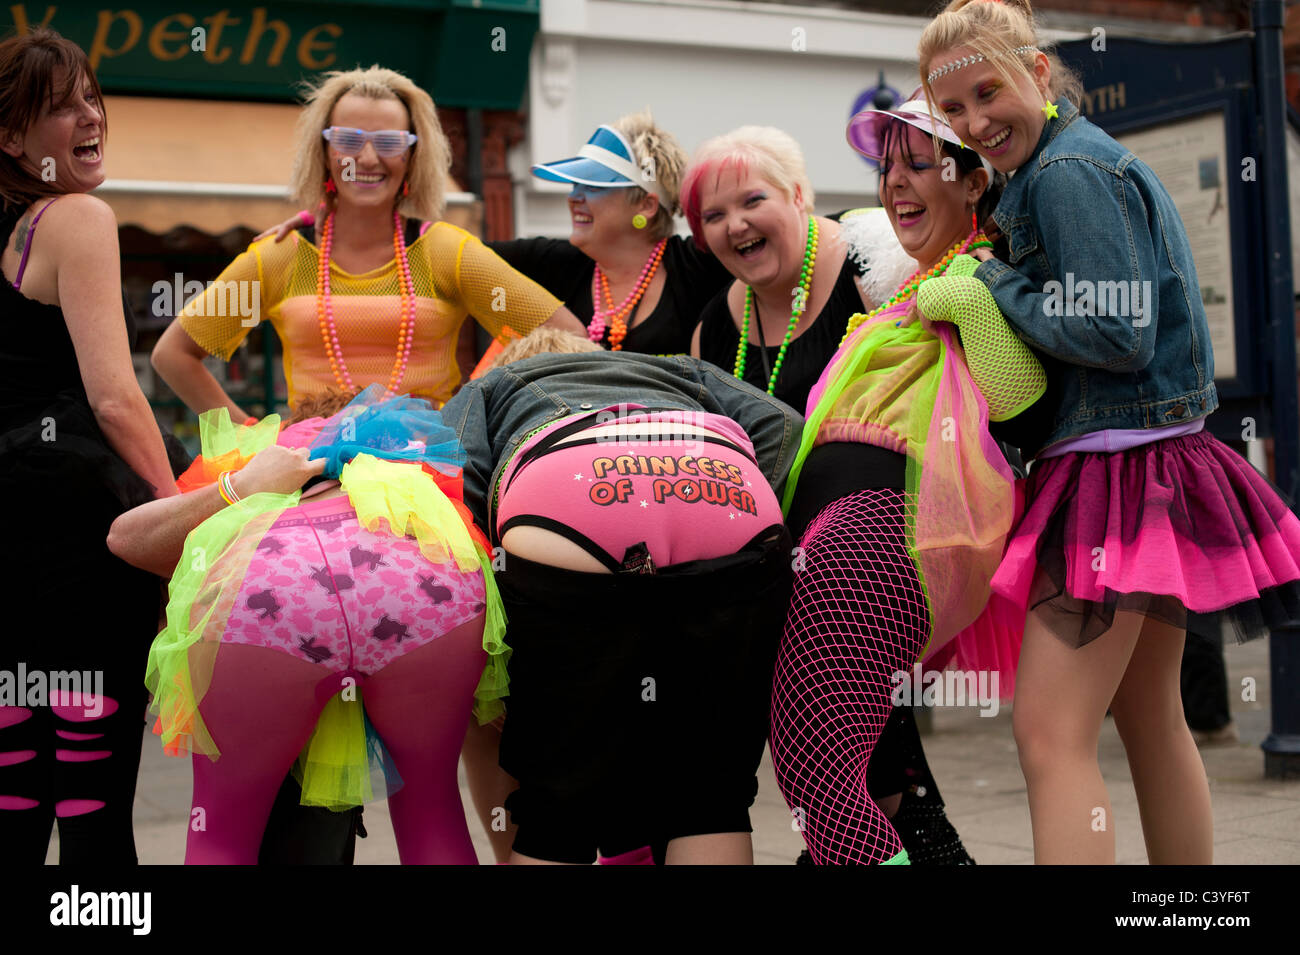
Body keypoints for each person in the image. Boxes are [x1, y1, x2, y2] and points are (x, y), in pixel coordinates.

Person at [921, 0, 1300, 863]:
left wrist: (990, 286)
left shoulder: (1065, 175)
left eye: (990, 91)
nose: (976, 122)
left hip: (1114, 473)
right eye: (954, 110)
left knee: (1050, 736)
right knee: (1151, 721)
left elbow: (1114, 332)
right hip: (1146, 465)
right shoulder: (1060, 167)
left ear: (1038, 74)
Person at [684, 121, 985, 865]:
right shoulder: (711, 330)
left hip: (888, 533)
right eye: (712, 217)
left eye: (752, 200)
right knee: (846, 765)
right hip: (791, 565)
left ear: (799, 194)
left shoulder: (872, 260)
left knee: (822, 756)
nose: (734, 225)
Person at [767, 98, 1045, 864]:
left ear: (975, 181)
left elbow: (1020, 397)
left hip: (883, 530)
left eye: (918, 164)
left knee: (818, 772)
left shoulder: (984, 271)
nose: (894, 184)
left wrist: (968, 301)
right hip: (841, 534)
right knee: (833, 770)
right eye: (886, 166)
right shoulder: (912, 281)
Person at [439, 327, 802, 864]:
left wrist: (509, 579)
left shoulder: (497, 381)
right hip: (720, 491)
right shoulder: (679, 368)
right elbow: (784, 423)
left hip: (566, 503)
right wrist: (742, 500)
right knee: (710, 797)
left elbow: (448, 471)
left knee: (555, 811)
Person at [107, 387, 506, 864]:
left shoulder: (259, 456)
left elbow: (126, 537)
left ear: (294, 423)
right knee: (433, 810)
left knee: (221, 832)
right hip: (418, 580)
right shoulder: (417, 451)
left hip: (274, 587)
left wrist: (239, 486)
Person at [151, 65, 582, 419]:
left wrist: (481, 408)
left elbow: (566, 338)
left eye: (390, 142)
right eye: (349, 140)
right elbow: (174, 355)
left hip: (428, 478)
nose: (369, 158)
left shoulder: (445, 252)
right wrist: (249, 438)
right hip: (309, 481)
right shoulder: (281, 257)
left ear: (413, 156)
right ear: (324, 153)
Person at [0, 28, 179, 864]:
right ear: (10, 138)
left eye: (92, 96)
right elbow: (114, 397)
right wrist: (179, 514)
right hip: (76, 541)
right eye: (61, 105)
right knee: (93, 805)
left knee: (14, 797)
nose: (89, 114)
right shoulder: (74, 217)